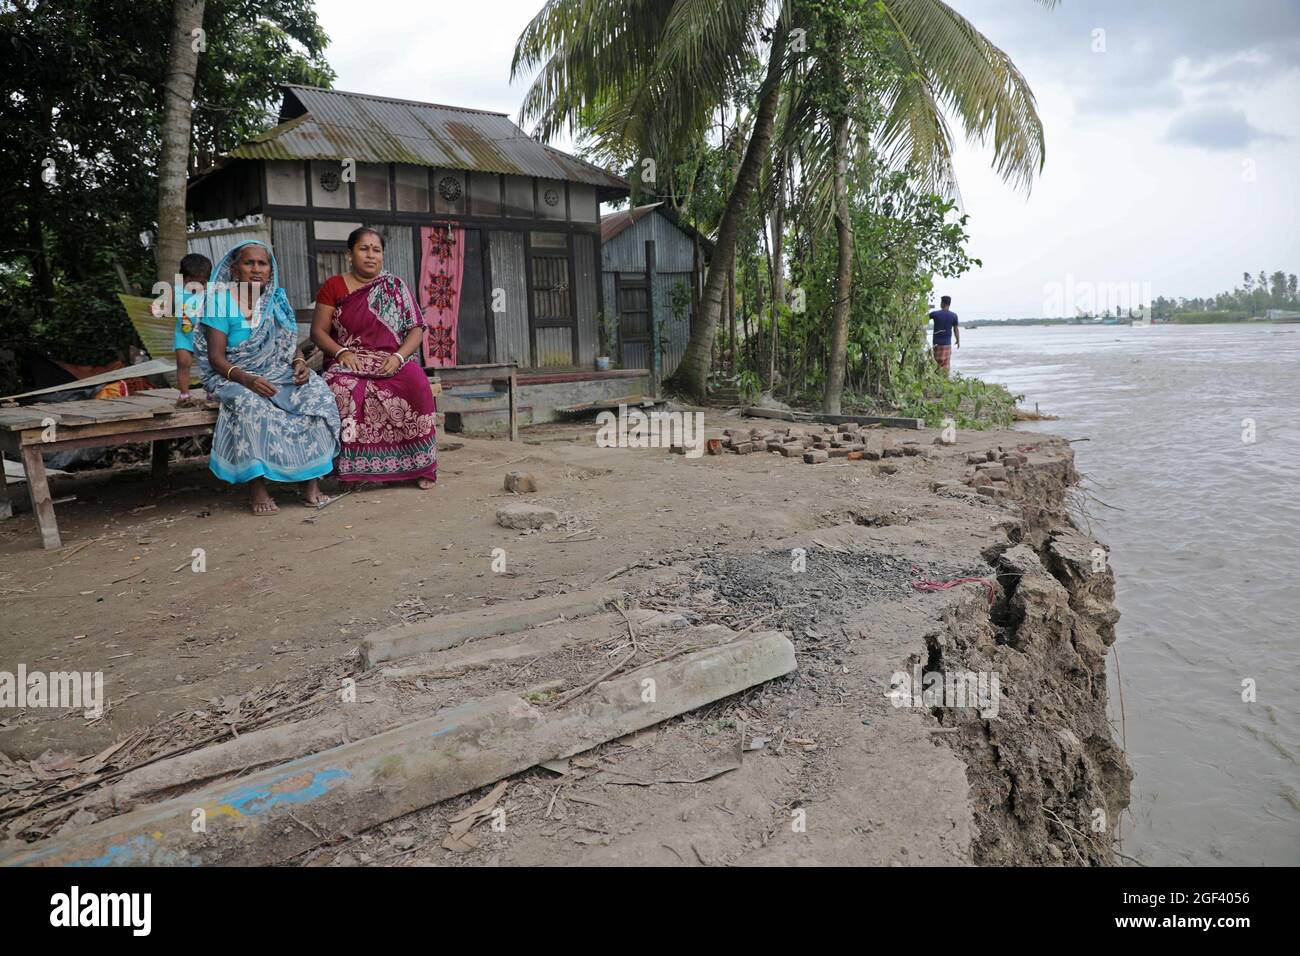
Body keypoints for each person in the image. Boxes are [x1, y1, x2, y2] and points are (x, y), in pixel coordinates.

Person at [194, 241, 341, 516]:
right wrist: (248, 381)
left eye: (263, 264)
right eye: (249, 263)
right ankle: (258, 488)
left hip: (277, 372)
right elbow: (216, 358)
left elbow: (289, 344)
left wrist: (299, 363)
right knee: (252, 405)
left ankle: (311, 483)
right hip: (234, 377)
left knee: (316, 394)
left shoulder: (275, 301)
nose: (256, 269)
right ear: (235, 269)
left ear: (270, 271)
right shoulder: (220, 301)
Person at [311, 227, 437, 489]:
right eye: (363, 249)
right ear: (350, 254)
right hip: (348, 359)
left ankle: (419, 465)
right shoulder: (334, 286)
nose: (370, 255)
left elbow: (416, 329)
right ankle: (354, 470)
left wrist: (400, 357)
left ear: (382, 255)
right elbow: (318, 332)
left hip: (389, 358)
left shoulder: (395, 286)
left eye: (376, 250)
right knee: (343, 390)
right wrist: (342, 352)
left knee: (417, 384)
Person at [928, 295, 960, 373]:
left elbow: (923, 318)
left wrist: (927, 308)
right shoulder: (954, 316)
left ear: (942, 303)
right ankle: (945, 379)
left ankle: (936, 380)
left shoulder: (935, 314)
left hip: (937, 344)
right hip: (947, 345)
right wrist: (958, 340)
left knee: (936, 365)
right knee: (946, 365)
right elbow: (956, 329)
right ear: (949, 304)